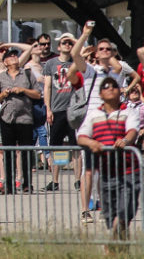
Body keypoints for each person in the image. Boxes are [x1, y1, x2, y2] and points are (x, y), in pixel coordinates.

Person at [77, 77, 141, 240]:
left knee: (124, 214)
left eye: (114, 86)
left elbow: (133, 131)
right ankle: (119, 248)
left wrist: (125, 140)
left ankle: (112, 245)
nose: (110, 89)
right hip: (106, 173)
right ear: (100, 93)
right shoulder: (94, 114)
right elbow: (81, 137)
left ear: (120, 91)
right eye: (106, 87)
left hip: (128, 172)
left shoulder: (129, 111)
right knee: (112, 217)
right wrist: (91, 142)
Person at [0, 48, 41, 193]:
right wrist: (3, 94)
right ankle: (9, 184)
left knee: (26, 153)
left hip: (25, 118)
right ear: (5, 62)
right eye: (10, 56)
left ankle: (26, 184)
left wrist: (23, 90)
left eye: (15, 56)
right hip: (7, 118)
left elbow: (38, 94)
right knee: (8, 153)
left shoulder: (27, 74)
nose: (14, 58)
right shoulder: (1, 77)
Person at [42, 33, 80, 191]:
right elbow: (47, 87)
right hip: (57, 109)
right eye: (64, 42)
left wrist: (74, 39)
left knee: (76, 146)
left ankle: (78, 179)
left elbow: (82, 51)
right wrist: (48, 109)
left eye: (69, 43)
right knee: (56, 146)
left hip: (73, 109)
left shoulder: (76, 62)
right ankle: (55, 180)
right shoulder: (51, 64)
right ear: (58, 47)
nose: (67, 44)